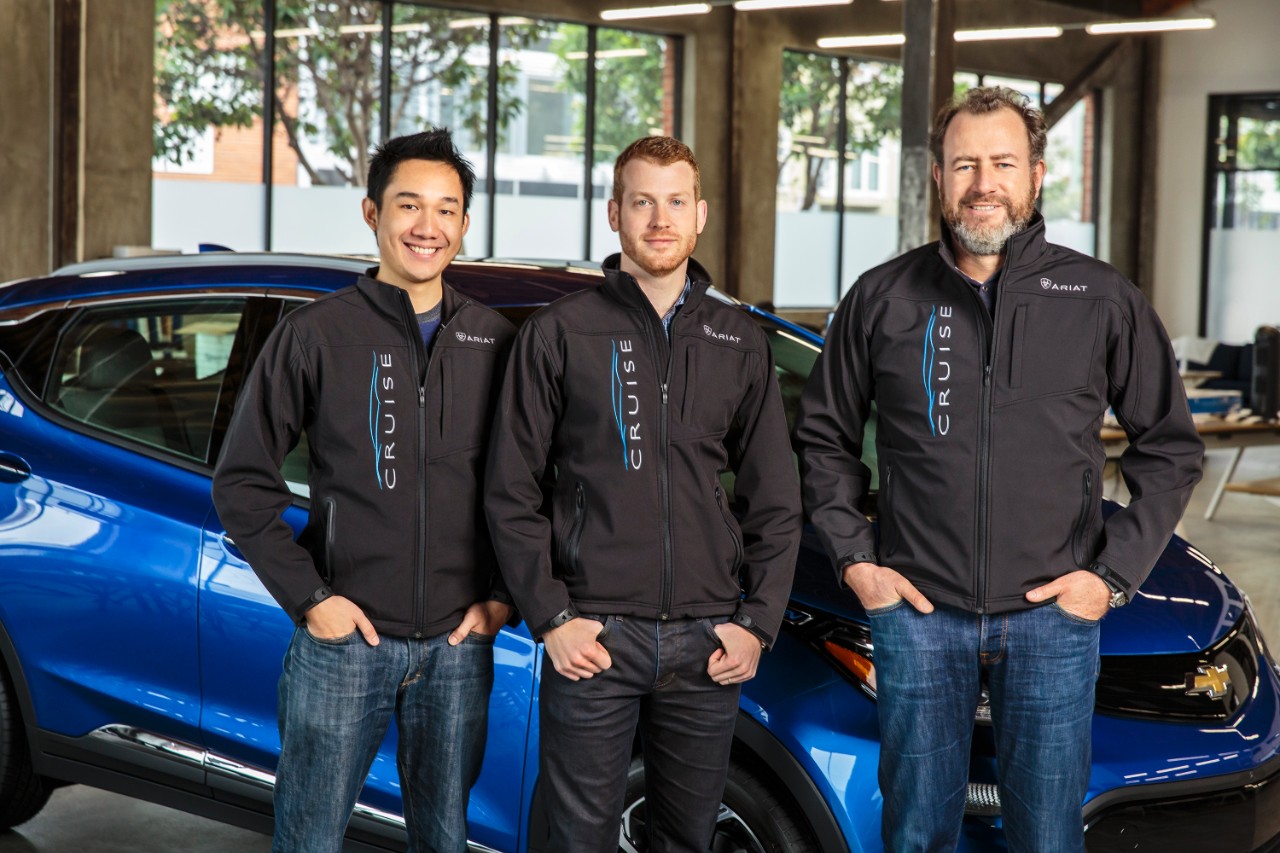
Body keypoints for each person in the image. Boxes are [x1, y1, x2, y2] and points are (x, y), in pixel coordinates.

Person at [793, 87, 1204, 852]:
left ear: (1037, 175)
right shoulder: (882, 298)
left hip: (1053, 619)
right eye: (965, 164)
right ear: (939, 179)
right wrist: (857, 561)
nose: (984, 182)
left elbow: (1172, 448)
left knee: (1047, 835)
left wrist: (1110, 577)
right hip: (918, 616)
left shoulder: (1099, 298)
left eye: (1004, 162)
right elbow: (822, 438)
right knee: (917, 829)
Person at [484, 136, 801, 852]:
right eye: (642, 201)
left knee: (686, 840)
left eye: (675, 201)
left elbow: (775, 498)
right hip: (594, 638)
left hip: (706, 645)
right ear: (614, 214)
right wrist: (553, 615)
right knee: (576, 840)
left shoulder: (738, 339)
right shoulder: (559, 334)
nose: (660, 219)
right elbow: (510, 488)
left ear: (701, 215)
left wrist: (757, 623)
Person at [212, 129, 515, 853]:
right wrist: (313, 601)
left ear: (466, 226)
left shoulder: (497, 341)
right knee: (310, 837)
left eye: (446, 210)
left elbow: (532, 485)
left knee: (445, 840)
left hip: (456, 645)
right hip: (345, 643)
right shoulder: (316, 335)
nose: (427, 226)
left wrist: (504, 595)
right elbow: (241, 481)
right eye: (408, 205)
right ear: (372, 212)